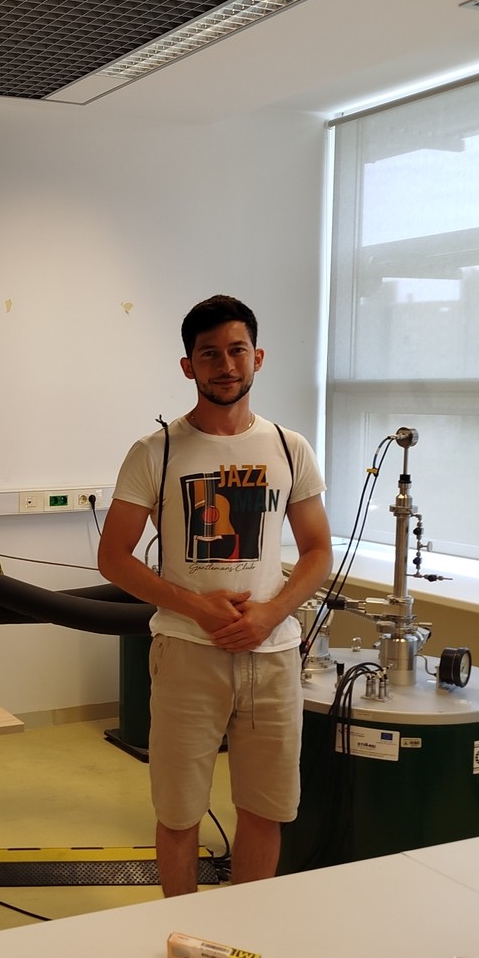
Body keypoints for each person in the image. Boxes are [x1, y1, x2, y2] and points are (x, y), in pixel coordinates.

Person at [98, 294, 332, 895]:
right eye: (209, 354)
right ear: (188, 366)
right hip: (186, 653)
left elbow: (317, 553)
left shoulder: (289, 448)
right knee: (179, 812)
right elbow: (113, 557)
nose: (225, 366)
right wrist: (196, 606)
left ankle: (246, 925)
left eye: (236, 351)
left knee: (266, 808)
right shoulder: (155, 452)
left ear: (258, 357)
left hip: (272, 656)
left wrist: (271, 613)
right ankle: (180, 926)